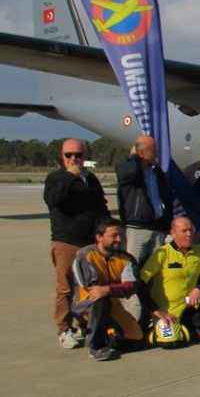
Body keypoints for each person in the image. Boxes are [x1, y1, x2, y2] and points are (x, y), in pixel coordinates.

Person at [44, 138, 109, 348]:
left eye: (78, 155)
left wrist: (107, 230)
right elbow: (53, 200)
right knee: (65, 288)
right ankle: (64, 329)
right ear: (62, 157)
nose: (74, 159)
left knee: (88, 286)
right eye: (69, 155)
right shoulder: (56, 178)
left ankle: (84, 324)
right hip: (65, 242)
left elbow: (101, 207)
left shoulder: (90, 179)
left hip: (89, 242)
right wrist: (69, 178)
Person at [140, 217, 200, 343]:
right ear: (173, 233)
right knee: (171, 343)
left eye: (191, 230)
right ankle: (190, 331)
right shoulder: (162, 253)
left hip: (190, 304)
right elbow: (141, 284)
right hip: (168, 312)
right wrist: (156, 311)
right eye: (184, 231)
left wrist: (198, 289)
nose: (189, 234)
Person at [70, 218, 143, 361]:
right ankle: (96, 347)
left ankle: (109, 334)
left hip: (112, 300)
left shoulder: (126, 259)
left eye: (121, 235)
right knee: (99, 300)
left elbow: (131, 286)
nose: (119, 239)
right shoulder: (85, 255)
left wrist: (109, 289)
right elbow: (92, 288)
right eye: (114, 235)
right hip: (86, 302)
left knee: (136, 337)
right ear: (99, 237)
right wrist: (112, 289)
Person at [116, 135, 172, 320]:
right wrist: (134, 158)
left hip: (156, 228)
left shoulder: (156, 172)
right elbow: (125, 174)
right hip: (136, 228)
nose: (156, 153)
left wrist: (167, 224)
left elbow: (166, 198)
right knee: (131, 272)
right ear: (141, 152)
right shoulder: (130, 168)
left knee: (154, 274)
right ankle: (131, 318)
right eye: (152, 149)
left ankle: (152, 314)